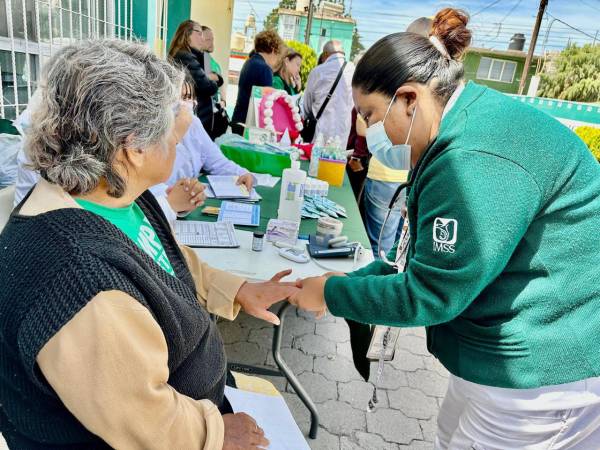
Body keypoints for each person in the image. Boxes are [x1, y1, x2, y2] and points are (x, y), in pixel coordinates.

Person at [291, 8, 600, 448]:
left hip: (537, 372)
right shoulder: (459, 129)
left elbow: (431, 292)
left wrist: (330, 293)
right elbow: (424, 266)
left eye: (372, 113)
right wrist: (338, 282)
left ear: (410, 99)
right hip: (495, 349)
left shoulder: (470, 160)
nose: (367, 128)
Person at [0, 39, 299, 449]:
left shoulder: (116, 194)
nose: (179, 142)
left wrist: (238, 289)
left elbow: (168, 261)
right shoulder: (78, 281)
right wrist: (216, 435)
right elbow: (145, 418)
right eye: (170, 131)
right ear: (133, 147)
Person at [150, 78, 255, 223]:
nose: (183, 104)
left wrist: (241, 173)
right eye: (177, 97)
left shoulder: (194, 123)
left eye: (188, 97)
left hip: (184, 207)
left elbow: (215, 160)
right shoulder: (151, 134)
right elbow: (150, 187)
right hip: (159, 215)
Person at [169, 20, 224, 140]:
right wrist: (212, 78)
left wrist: (211, 78)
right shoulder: (186, 57)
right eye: (199, 33)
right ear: (187, 35)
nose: (202, 39)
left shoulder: (190, 55)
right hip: (194, 117)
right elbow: (208, 87)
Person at [231, 30, 284, 136]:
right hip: (250, 124)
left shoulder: (249, 62)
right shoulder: (265, 68)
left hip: (238, 118)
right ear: (273, 50)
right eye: (278, 55)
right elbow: (266, 104)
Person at [303, 40, 355, 144]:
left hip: (319, 130)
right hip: (343, 132)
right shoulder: (354, 70)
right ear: (343, 54)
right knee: (336, 159)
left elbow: (307, 103)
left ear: (325, 54)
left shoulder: (318, 71)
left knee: (315, 158)